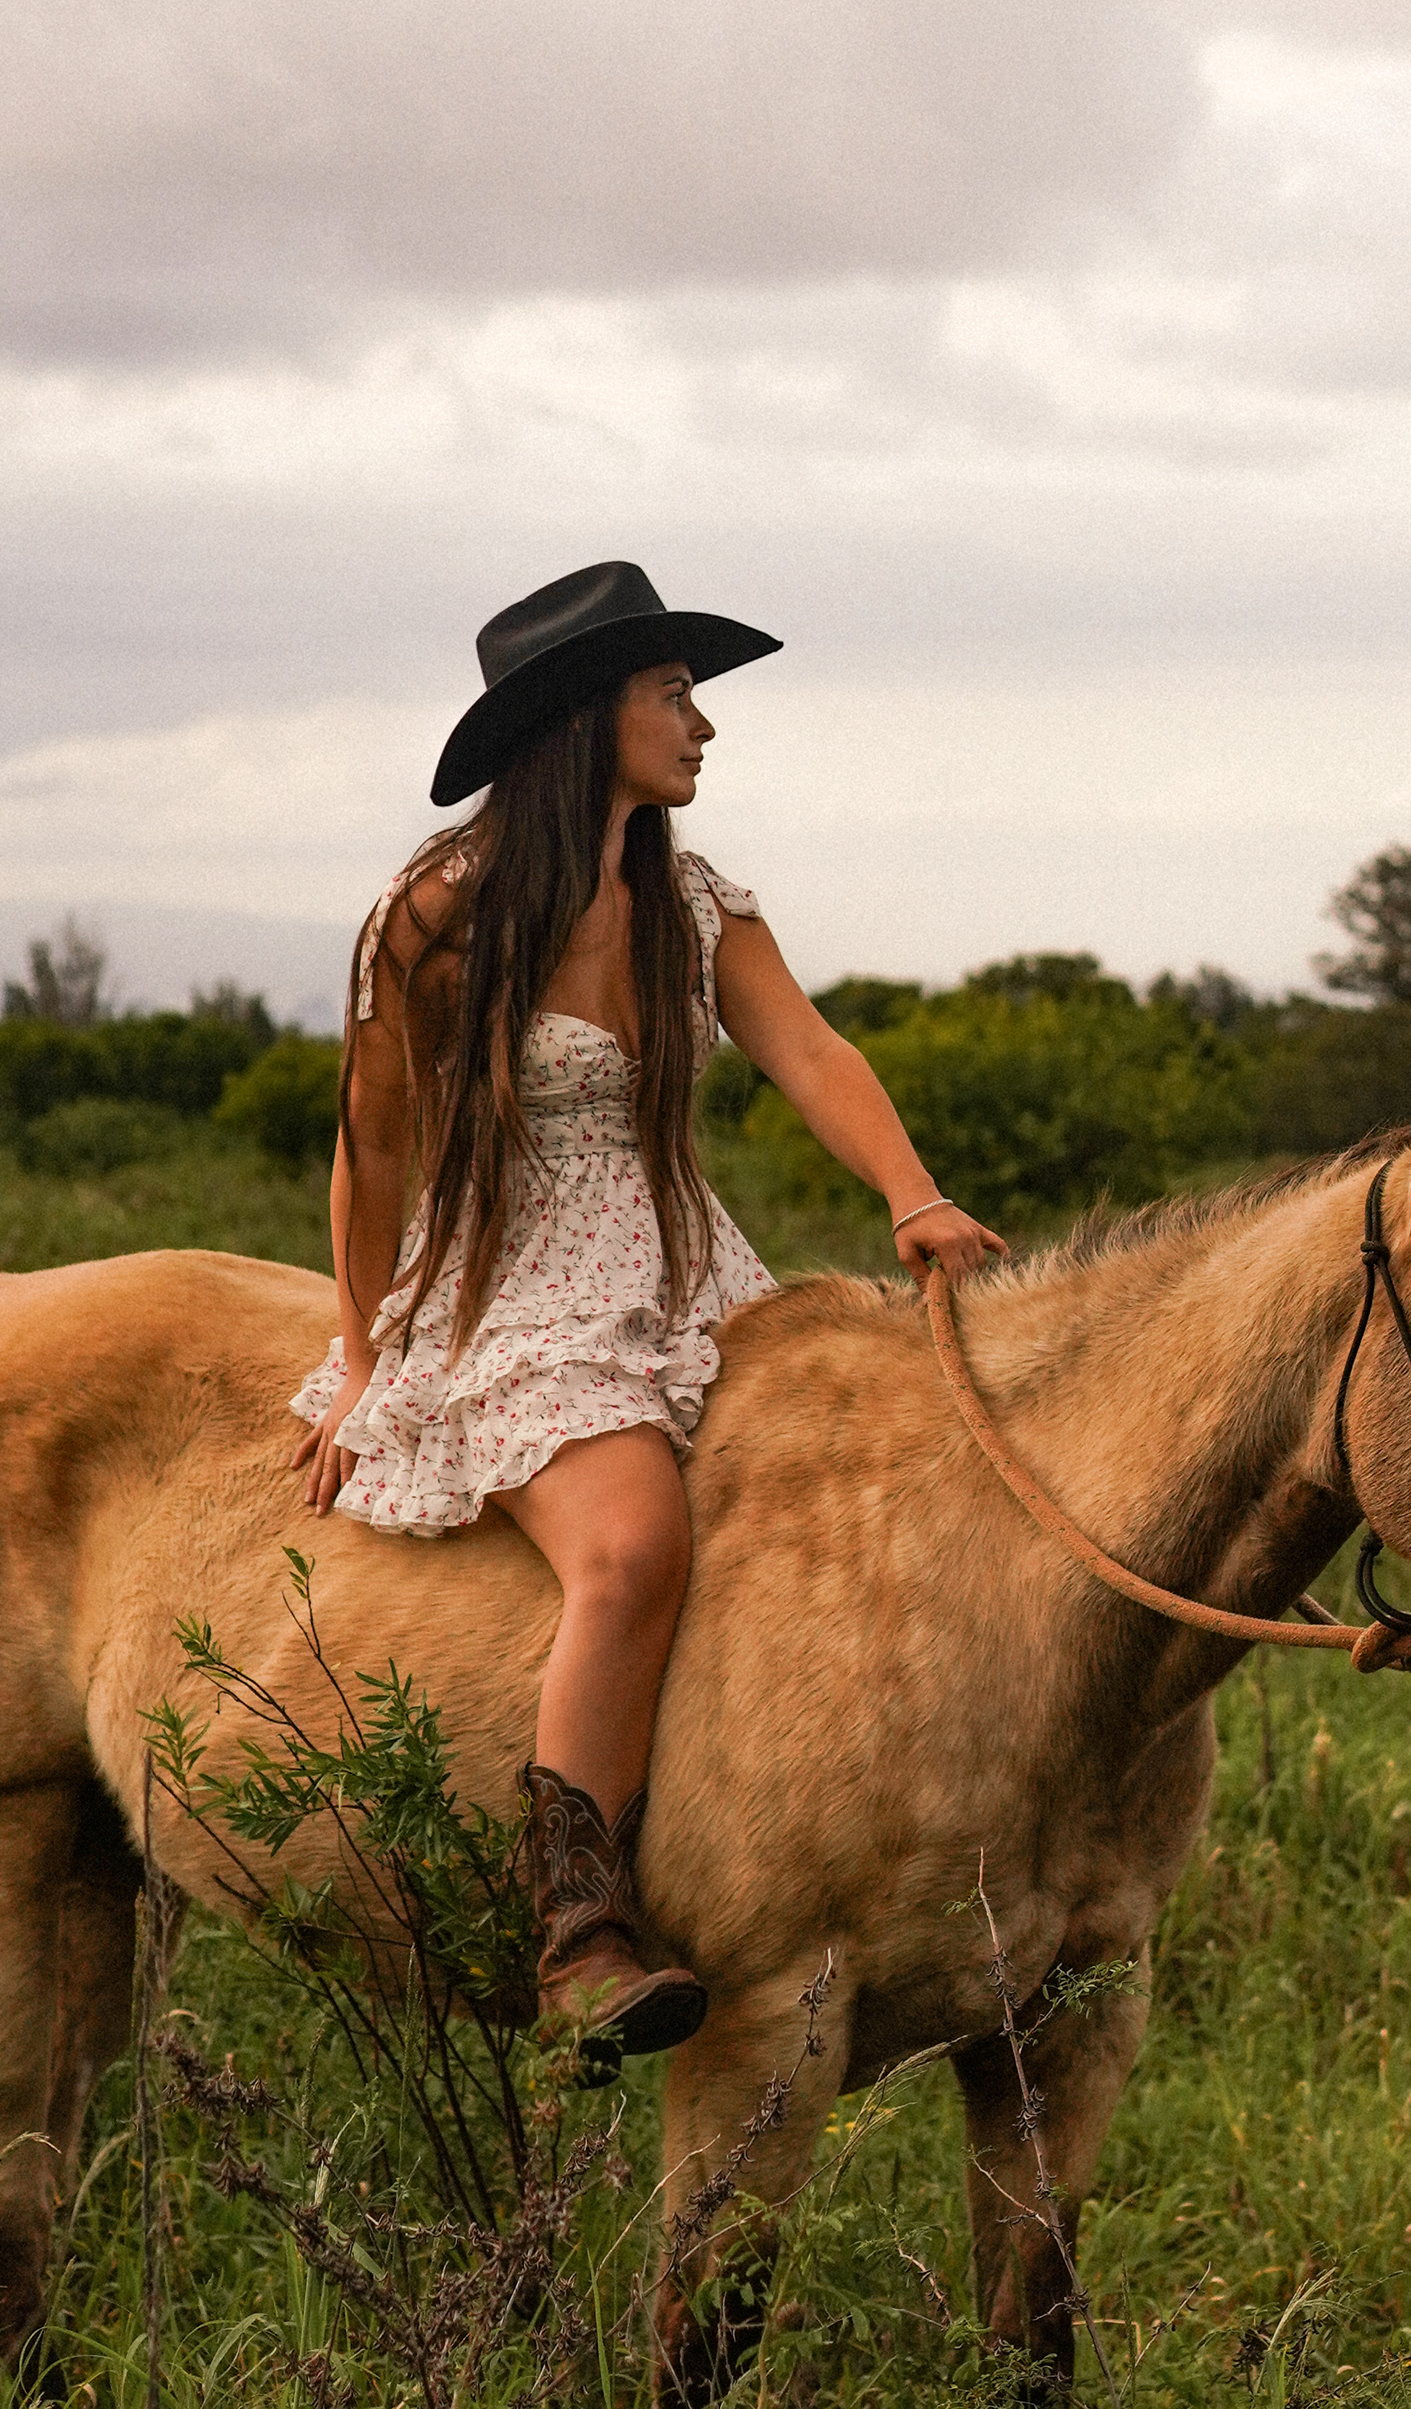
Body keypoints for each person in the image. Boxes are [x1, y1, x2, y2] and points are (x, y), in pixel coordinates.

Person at [293, 560, 1000, 2068]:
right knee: (629, 1545)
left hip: (686, 1272)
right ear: (581, 715)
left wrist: (914, 1193)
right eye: (673, 693)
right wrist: (365, 1358)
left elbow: (808, 1050)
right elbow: (371, 1145)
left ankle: (811, 1837)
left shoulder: (691, 902)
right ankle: (579, 1931)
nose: (702, 726)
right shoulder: (434, 914)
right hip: (514, 1288)